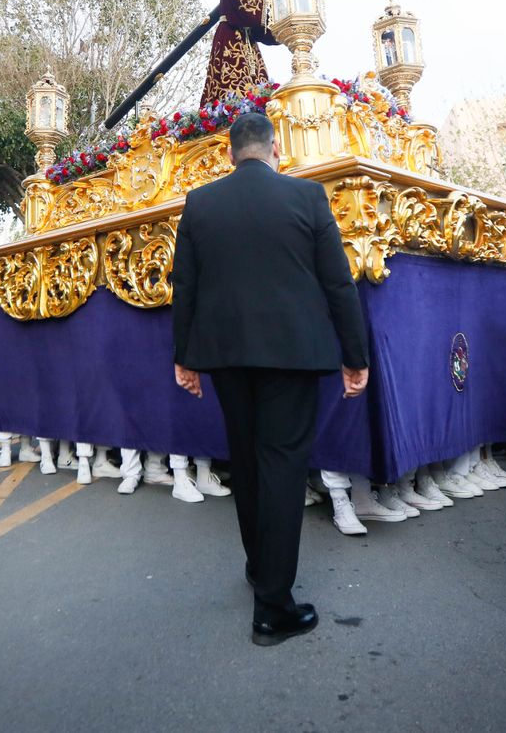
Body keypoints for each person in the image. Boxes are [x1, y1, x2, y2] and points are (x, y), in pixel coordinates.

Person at [171, 111, 368, 647]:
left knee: (247, 462)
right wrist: (355, 355)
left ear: (229, 153)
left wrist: (184, 357)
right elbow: (338, 283)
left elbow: (184, 285)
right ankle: (273, 608)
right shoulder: (307, 197)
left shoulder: (201, 202)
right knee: (281, 467)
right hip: (293, 355)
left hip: (226, 356)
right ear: (275, 149)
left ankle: (261, 568)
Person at [199, 0, 278, 107]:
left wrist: (280, 31)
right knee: (231, 81)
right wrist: (266, 3)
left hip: (249, 40)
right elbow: (242, 6)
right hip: (230, 36)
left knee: (258, 82)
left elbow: (262, 27)